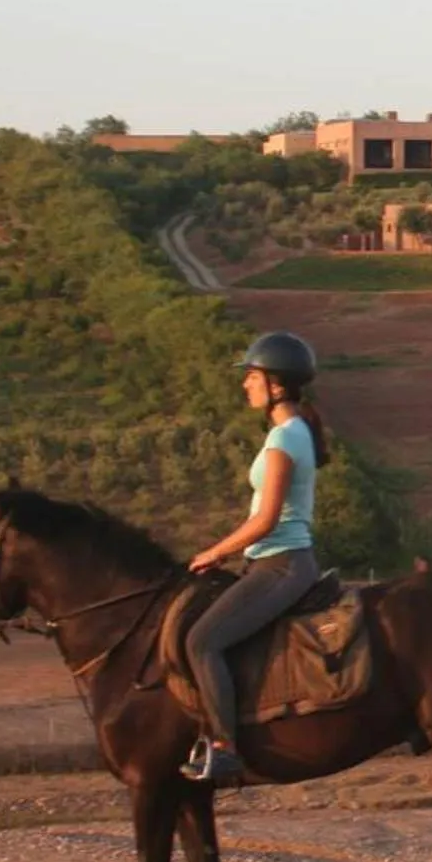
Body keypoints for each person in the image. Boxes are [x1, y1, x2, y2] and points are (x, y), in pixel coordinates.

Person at [181, 332, 331, 784]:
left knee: (201, 642)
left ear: (277, 386)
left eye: (252, 377)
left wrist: (214, 551)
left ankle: (225, 749)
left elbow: (265, 520)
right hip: (273, 559)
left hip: (281, 562)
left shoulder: (286, 438)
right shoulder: (291, 432)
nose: (246, 385)